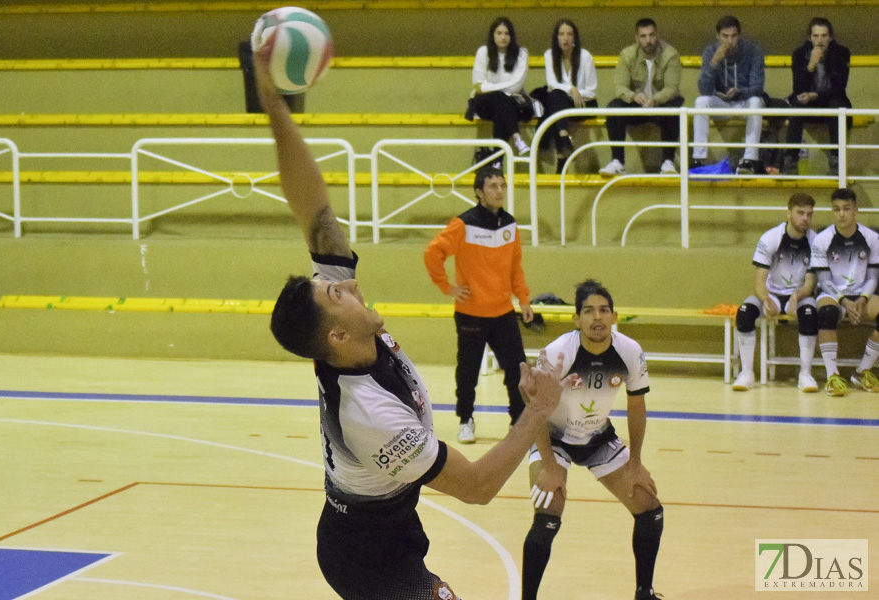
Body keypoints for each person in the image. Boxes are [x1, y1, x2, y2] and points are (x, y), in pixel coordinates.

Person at [255, 38, 566, 600]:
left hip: (392, 525)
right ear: (338, 334)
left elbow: (317, 214)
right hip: (364, 554)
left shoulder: (346, 336)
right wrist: (537, 413)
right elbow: (474, 488)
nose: (348, 282)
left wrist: (275, 104)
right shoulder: (368, 415)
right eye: (337, 293)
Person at [522, 280, 664, 600]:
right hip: (554, 440)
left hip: (598, 438)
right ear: (576, 320)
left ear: (614, 316)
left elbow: (636, 407)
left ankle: (644, 592)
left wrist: (637, 464)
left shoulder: (629, 351)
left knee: (650, 507)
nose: (596, 317)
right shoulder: (557, 353)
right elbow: (535, 413)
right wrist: (549, 466)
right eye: (588, 311)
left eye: (603, 310)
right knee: (548, 514)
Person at [424, 167, 534, 443]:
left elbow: (515, 269)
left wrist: (523, 299)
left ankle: (518, 422)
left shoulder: (510, 224)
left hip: (503, 312)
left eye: (502, 185)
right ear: (478, 192)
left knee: (516, 368)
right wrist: (447, 287)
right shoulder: (463, 224)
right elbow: (432, 253)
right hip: (470, 313)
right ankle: (466, 420)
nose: (499, 191)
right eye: (493, 186)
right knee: (468, 371)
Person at [732, 193, 819, 392]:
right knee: (745, 312)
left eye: (809, 214)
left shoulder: (815, 242)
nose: (805, 218)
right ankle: (747, 373)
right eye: (800, 213)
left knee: (809, 314)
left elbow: (810, 284)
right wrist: (766, 299)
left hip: (800, 296)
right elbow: (759, 282)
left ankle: (805, 374)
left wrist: (797, 297)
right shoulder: (771, 238)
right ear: (788, 213)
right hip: (772, 293)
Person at [809, 187, 879, 396]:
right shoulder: (822, 239)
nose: (841, 214)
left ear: (855, 210)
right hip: (832, 294)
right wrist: (845, 301)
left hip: (861, 294)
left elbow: (873, 277)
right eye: (837, 209)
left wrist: (862, 299)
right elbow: (823, 280)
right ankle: (833, 376)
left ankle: (862, 371)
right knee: (827, 314)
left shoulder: (872, 238)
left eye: (846, 209)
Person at [600, 18, 684, 177]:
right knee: (614, 107)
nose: (648, 40)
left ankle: (668, 161)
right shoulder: (627, 55)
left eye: (651, 35)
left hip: (661, 105)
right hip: (637, 105)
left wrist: (655, 99)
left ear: (657, 35)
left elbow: (672, 88)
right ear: (636, 38)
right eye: (644, 36)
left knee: (675, 107)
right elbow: (620, 87)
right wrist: (633, 96)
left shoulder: (670, 54)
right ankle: (617, 161)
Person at [692, 15, 766, 175]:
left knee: (756, 101)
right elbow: (704, 90)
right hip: (722, 103)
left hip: (744, 101)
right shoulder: (710, 51)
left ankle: (750, 160)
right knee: (701, 101)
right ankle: (698, 158)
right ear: (717, 36)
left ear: (739, 35)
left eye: (733, 36)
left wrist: (738, 91)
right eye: (725, 36)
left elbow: (758, 87)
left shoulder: (753, 50)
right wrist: (713, 63)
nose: (729, 41)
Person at [783, 17, 852, 175]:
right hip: (808, 102)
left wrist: (816, 95)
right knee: (797, 105)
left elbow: (840, 86)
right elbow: (798, 88)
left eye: (824, 36)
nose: (820, 40)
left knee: (837, 106)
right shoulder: (800, 53)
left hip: (831, 100)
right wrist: (811, 65)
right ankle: (790, 160)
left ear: (831, 37)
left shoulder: (841, 53)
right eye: (816, 36)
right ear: (810, 37)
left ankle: (836, 160)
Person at [533, 19, 598, 170]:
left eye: (569, 34)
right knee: (556, 96)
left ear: (575, 38)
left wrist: (576, 92)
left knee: (555, 103)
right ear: (556, 38)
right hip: (561, 104)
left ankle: (562, 153)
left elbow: (592, 90)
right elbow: (552, 83)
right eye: (561, 34)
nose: (565, 38)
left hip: (583, 104)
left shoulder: (585, 56)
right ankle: (564, 142)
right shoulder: (549, 55)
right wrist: (571, 89)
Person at [467, 16, 534, 160]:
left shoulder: (521, 53)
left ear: (512, 36)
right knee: (501, 99)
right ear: (493, 35)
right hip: (484, 103)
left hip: (511, 103)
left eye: (507, 33)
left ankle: (496, 162)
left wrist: (490, 87)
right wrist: (500, 89)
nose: (503, 37)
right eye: (499, 33)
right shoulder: (483, 52)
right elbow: (478, 86)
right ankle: (516, 137)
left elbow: (516, 86)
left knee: (501, 106)